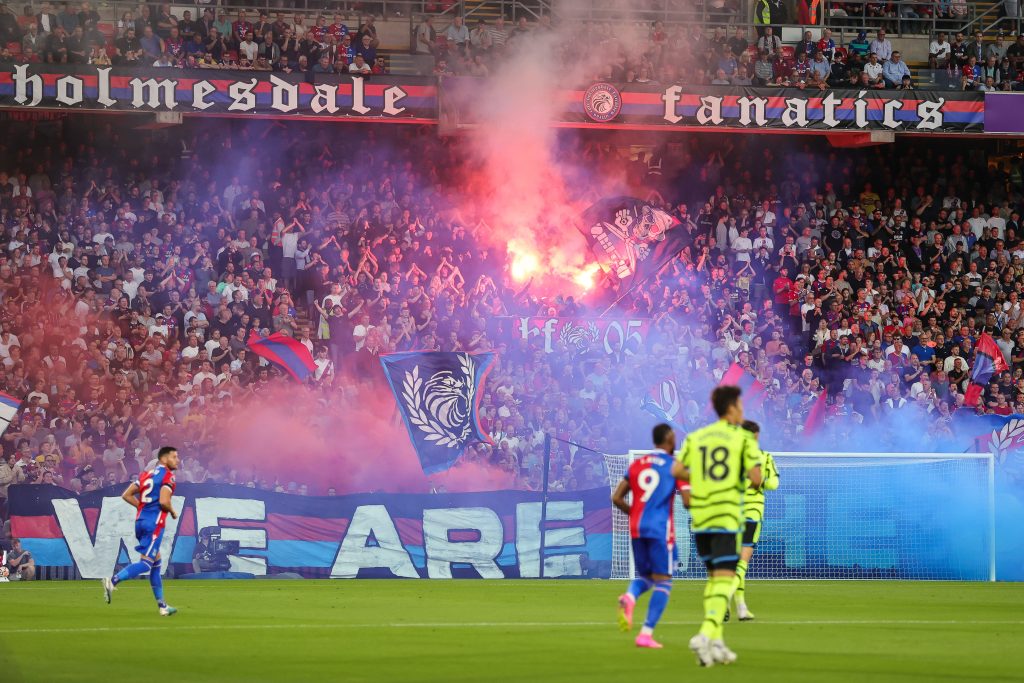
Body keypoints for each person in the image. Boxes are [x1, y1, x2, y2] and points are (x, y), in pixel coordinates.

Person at [672, 385, 763, 667]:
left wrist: (700, 478)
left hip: (700, 517)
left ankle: (717, 643)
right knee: (725, 579)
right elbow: (757, 479)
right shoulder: (744, 438)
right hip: (726, 517)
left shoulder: (696, 437)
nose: (743, 410)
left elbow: (676, 471)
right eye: (741, 405)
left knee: (715, 581)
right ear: (733, 408)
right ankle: (705, 634)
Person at [611, 423, 687, 649]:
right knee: (664, 581)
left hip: (636, 528)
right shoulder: (675, 466)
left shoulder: (637, 464)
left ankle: (630, 597)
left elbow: (616, 498)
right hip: (660, 530)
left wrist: (635, 513)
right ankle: (646, 633)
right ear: (670, 440)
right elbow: (689, 502)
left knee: (646, 577)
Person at [102, 446, 180, 616]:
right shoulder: (168, 477)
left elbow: (126, 495)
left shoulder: (145, 476)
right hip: (154, 524)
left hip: (141, 522)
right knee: (146, 563)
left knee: (156, 564)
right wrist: (172, 511)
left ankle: (162, 606)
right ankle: (113, 581)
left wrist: (142, 508)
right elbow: (165, 501)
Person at [729, 420, 778, 621]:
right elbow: (774, 484)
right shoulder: (764, 457)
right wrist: (759, 484)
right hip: (752, 513)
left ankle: (741, 607)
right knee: (742, 563)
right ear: (756, 435)